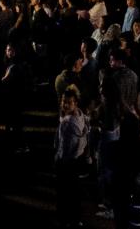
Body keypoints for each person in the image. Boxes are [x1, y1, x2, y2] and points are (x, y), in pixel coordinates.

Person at [54, 85, 88, 229]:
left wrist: (59, 158)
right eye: (63, 101)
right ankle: (75, 218)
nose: (65, 104)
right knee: (74, 192)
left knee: (64, 192)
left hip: (67, 162)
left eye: (69, 102)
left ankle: (65, 219)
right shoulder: (80, 115)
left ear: (76, 103)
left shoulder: (68, 123)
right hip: (77, 160)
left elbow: (64, 146)